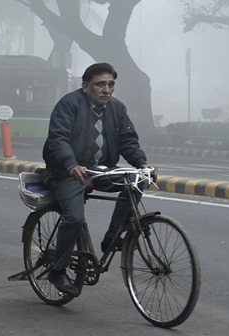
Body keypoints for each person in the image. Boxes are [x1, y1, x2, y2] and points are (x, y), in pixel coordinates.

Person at [40, 62, 150, 297]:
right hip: (67, 172)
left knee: (138, 180)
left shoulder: (117, 109)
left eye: (110, 85)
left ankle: (113, 235)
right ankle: (57, 270)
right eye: (100, 84)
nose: (106, 89)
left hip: (102, 170)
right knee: (75, 218)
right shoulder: (69, 104)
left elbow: (128, 140)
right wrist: (71, 164)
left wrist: (142, 163)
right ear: (85, 86)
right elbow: (57, 139)